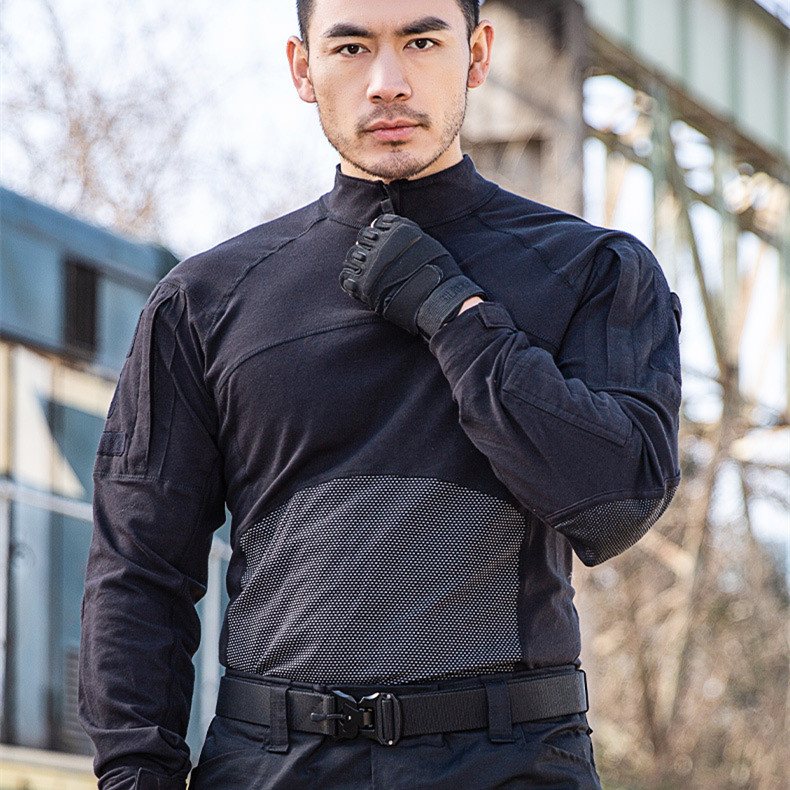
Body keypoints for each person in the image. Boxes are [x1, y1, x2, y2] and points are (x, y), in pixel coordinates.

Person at [79, 0, 681, 788]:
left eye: (422, 42)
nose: (387, 82)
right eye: (352, 47)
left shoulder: (595, 270)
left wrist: (456, 317)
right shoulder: (205, 300)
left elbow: (615, 503)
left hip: (511, 766)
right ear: (303, 68)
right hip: (271, 767)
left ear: (477, 55)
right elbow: (139, 572)